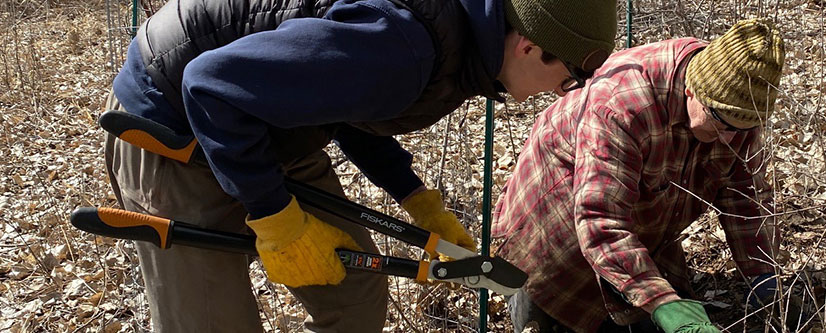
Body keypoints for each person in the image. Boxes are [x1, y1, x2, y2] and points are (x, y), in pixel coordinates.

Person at [101, 0, 617, 331]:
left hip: (264, 123)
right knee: (212, 322)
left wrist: (416, 199)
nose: (560, 93)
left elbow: (351, 102)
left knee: (353, 296)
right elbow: (209, 84)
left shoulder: (458, 46)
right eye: (568, 79)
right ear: (529, 45)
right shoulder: (406, 45)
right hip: (175, 120)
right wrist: (275, 216)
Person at [491, 18, 786, 332]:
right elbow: (600, 221)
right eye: (719, 121)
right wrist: (663, 304)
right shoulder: (623, 103)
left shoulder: (739, 108)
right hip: (555, 217)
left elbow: (744, 195)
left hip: (642, 221)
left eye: (739, 128)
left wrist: (762, 271)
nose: (728, 136)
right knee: (549, 309)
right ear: (691, 90)